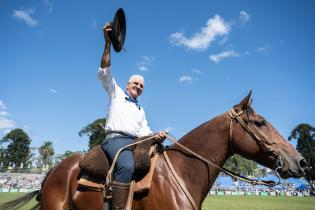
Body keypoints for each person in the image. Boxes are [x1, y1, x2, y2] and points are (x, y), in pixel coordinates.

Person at [98, 23, 166, 210]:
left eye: (141, 86)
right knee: (127, 165)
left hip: (133, 142)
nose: (138, 87)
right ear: (128, 85)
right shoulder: (116, 93)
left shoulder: (140, 110)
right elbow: (105, 72)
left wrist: (156, 135)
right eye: (135, 83)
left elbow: (145, 131)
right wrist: (107, 44)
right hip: (115, 140)